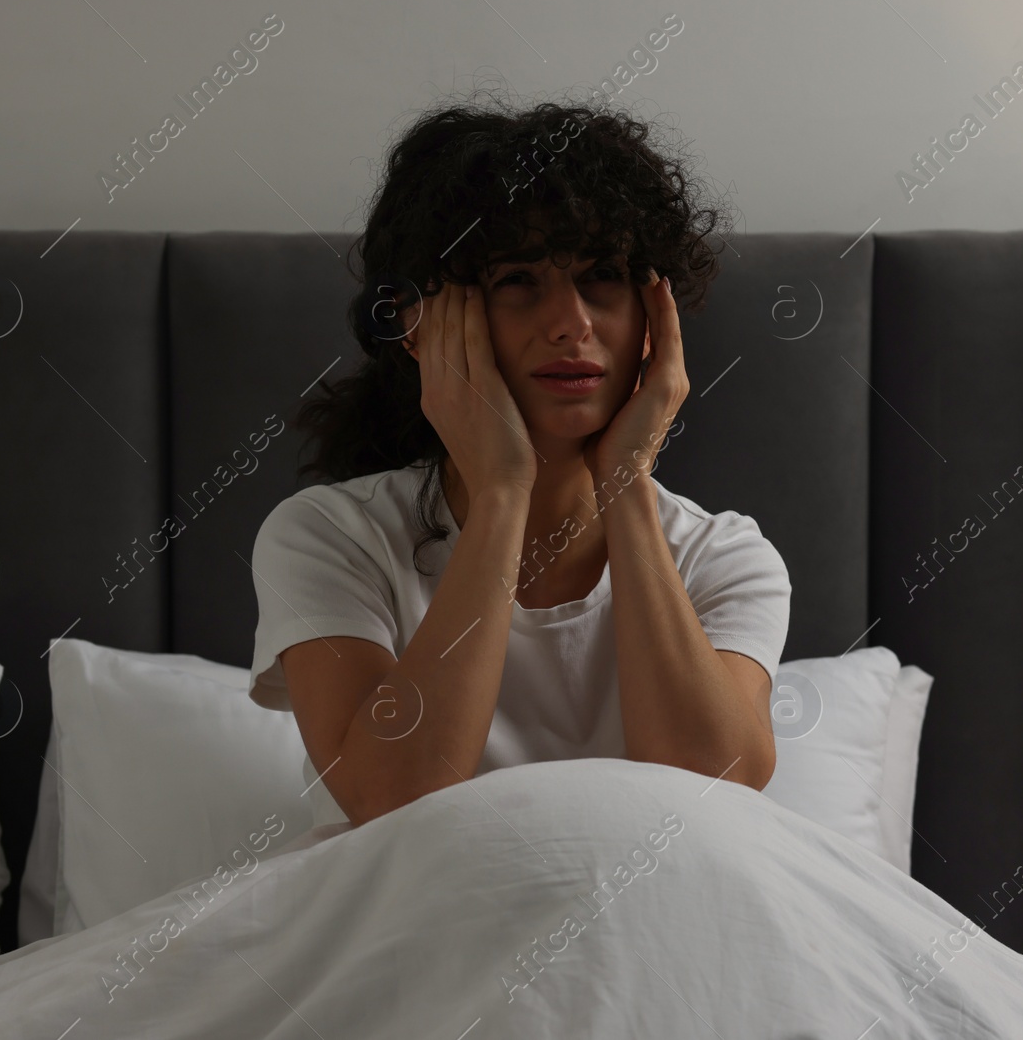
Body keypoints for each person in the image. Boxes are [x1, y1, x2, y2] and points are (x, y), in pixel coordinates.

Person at [246, 90, 792, 828]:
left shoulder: (726, 556)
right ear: (422, 326)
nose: (571, 324)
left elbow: (708, 794)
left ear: (652, 319)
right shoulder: (330, 537)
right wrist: (503, 490)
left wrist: (626, 483)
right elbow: (393, 799)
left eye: (602, 276)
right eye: (518, 282)